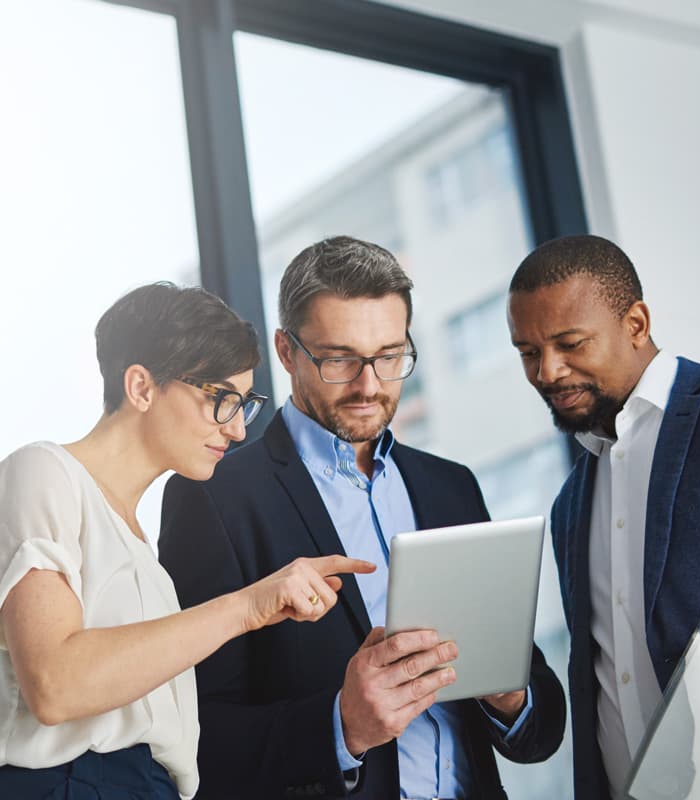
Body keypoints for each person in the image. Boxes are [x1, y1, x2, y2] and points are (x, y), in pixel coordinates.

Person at [159, 236, 566, 799]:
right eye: (339, 359)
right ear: (286, 351)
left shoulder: (451, 488)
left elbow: (540, 731)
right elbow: (194, 737)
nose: (370, 385)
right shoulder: (214, 498)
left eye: (390, 356)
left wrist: (508, 696)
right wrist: (341, 725)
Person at [0, 282, 374, 799]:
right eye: (221, 399)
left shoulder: (140, 550)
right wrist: (247, 607)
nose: (239, 429)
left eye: (247, 404)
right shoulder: (43, 472)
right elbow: (54, 683)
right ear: (141, 388)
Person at [506, 233, 700, 799]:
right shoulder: (570, 505)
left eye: (570, 343)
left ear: (636, 323)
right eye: (527, 353)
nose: (547, 372)